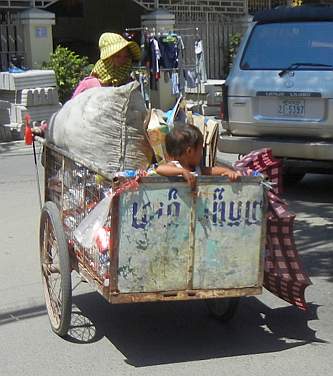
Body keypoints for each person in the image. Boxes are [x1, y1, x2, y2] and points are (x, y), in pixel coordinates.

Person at [32, 32, 141, 136]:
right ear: (107, 58)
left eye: (125, 56)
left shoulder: (129, 84)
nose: (122, 60)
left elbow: (138, 112)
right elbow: (68, 111)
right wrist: (45, 128)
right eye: (117, 56)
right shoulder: (90, 85)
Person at [156, 124, 241, 189]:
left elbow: (213, 170)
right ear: (189, 151)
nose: (201, 154)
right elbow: (160, 169)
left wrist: (228, 171)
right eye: (200, 150)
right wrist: (182, 172)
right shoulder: (175, 166)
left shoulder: (198, 169)